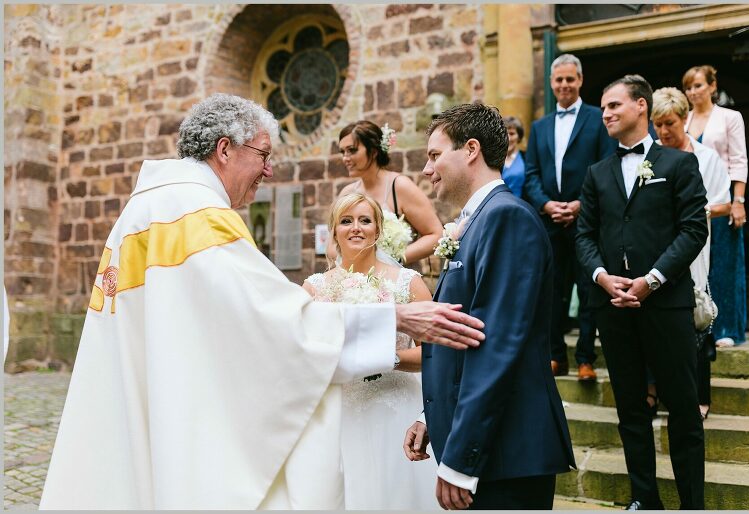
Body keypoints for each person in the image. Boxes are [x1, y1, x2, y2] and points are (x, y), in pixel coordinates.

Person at [39, 94, 485, 510]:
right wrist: (397, 317)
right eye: (264, 155)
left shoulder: (146, 208)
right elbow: (274, 324)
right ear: (225, 149)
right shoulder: (199, 216)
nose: (269, 171)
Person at [404, 102, 575, 510]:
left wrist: (463, 458)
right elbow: (460, 334)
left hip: (506, 451)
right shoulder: (479, 220)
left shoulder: (506, 219)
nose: (427, 170)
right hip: (492, 446)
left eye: (434, 155)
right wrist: (434, 416)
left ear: (471, 149)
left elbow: (496, 344)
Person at [575, 75, 708, 510]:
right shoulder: (596, 174)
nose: (606, 113)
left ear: (640, 107)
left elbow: (693, 231)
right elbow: (584, 235)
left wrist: (651, 280)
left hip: (666, 304)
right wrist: (601, 276)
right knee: (631, 409)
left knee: (684, 410)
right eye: (603, 108)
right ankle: (644, 500)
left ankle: (692, 503)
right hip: (612, 305)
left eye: (614, 105)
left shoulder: (679, 164)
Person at [302, 193, 439, 510]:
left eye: (365, 220)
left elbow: (436, 354)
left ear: (379, 230)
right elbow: (304, 356)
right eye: (346, 221)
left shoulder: (408, 283)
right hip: (339, 414)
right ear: (334, 230)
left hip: (395, 411)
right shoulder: (314, 288)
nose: (356, 228)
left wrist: (386, 358)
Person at [523, 53, 616, 381]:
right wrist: (547, 204)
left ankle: (586, 358)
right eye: (558, 80)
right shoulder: (539, 126)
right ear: (551, 83)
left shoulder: (597, 118)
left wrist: (580, 204)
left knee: (589, 290)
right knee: (550, 291)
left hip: (585, 219)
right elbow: (531, 173)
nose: (564, 85)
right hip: (549, 222)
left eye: (570, 79)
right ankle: (555, 355)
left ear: (580, 81)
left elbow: (606, 165)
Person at [651, 86, 731, 421]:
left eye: (669, 123)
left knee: (695, 319)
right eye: (658, 124)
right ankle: (655, 389)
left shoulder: (706, 158)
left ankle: (699, 393)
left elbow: (723, 203)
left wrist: (690, 212)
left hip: (694, 248)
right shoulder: (649, 156)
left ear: (684, 119)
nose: (664, 131)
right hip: (655, 250)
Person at [682, 64, 749, 348]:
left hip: (720, 200)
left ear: (712, 86)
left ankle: (726, 329)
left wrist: (738, 201)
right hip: (689, 203)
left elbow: (739, 160)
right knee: (695, 266)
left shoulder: (729, 117)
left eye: (698, 85)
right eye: (688, 87)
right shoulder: (681, 120)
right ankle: (699, 324)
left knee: (723, 263)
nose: (693, 91)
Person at [333, 120, 443, 265]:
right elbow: (331, 244)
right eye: (342, 152)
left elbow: (436, 235)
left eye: (352, 150)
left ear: (373, 152)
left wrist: (392, 260)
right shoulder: (346, 193)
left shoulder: (400, 186)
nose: (345, 158)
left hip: (395, 279)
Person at [500, 116, 526, 196]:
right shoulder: (492, 159)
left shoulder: (527, 158)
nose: (508, 138)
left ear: (519, 137)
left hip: (521, 205)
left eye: (512, 133)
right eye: (504, 133)